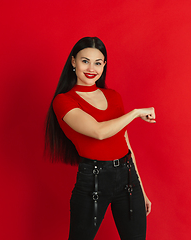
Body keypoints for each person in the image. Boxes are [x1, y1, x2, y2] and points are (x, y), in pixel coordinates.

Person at [45, 37, 155, 240]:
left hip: (128, 178)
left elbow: (126, 145)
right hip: (93, 179)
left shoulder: (113, 96)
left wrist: (141, 189)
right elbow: (99, 132)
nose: (91, 68)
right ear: (73, 62)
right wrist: (135, 113)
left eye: (98, 62)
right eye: (85, 61)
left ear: (104, 65)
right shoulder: (64, 101)